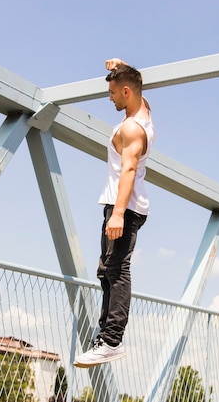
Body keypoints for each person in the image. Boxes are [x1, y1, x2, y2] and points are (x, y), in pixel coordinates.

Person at [74, 58, 155, 368]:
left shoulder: (132, 127)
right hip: (126, 205)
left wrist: (118, 213)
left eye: (112, 93)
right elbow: (140, 88)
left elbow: (129, 168)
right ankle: (105, 337)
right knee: (106, 270)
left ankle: (110, 341)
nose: (109, 98)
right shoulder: (144, 113)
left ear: (125, 92)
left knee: (117, 270)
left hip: (125, 206)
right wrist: (126, 66)